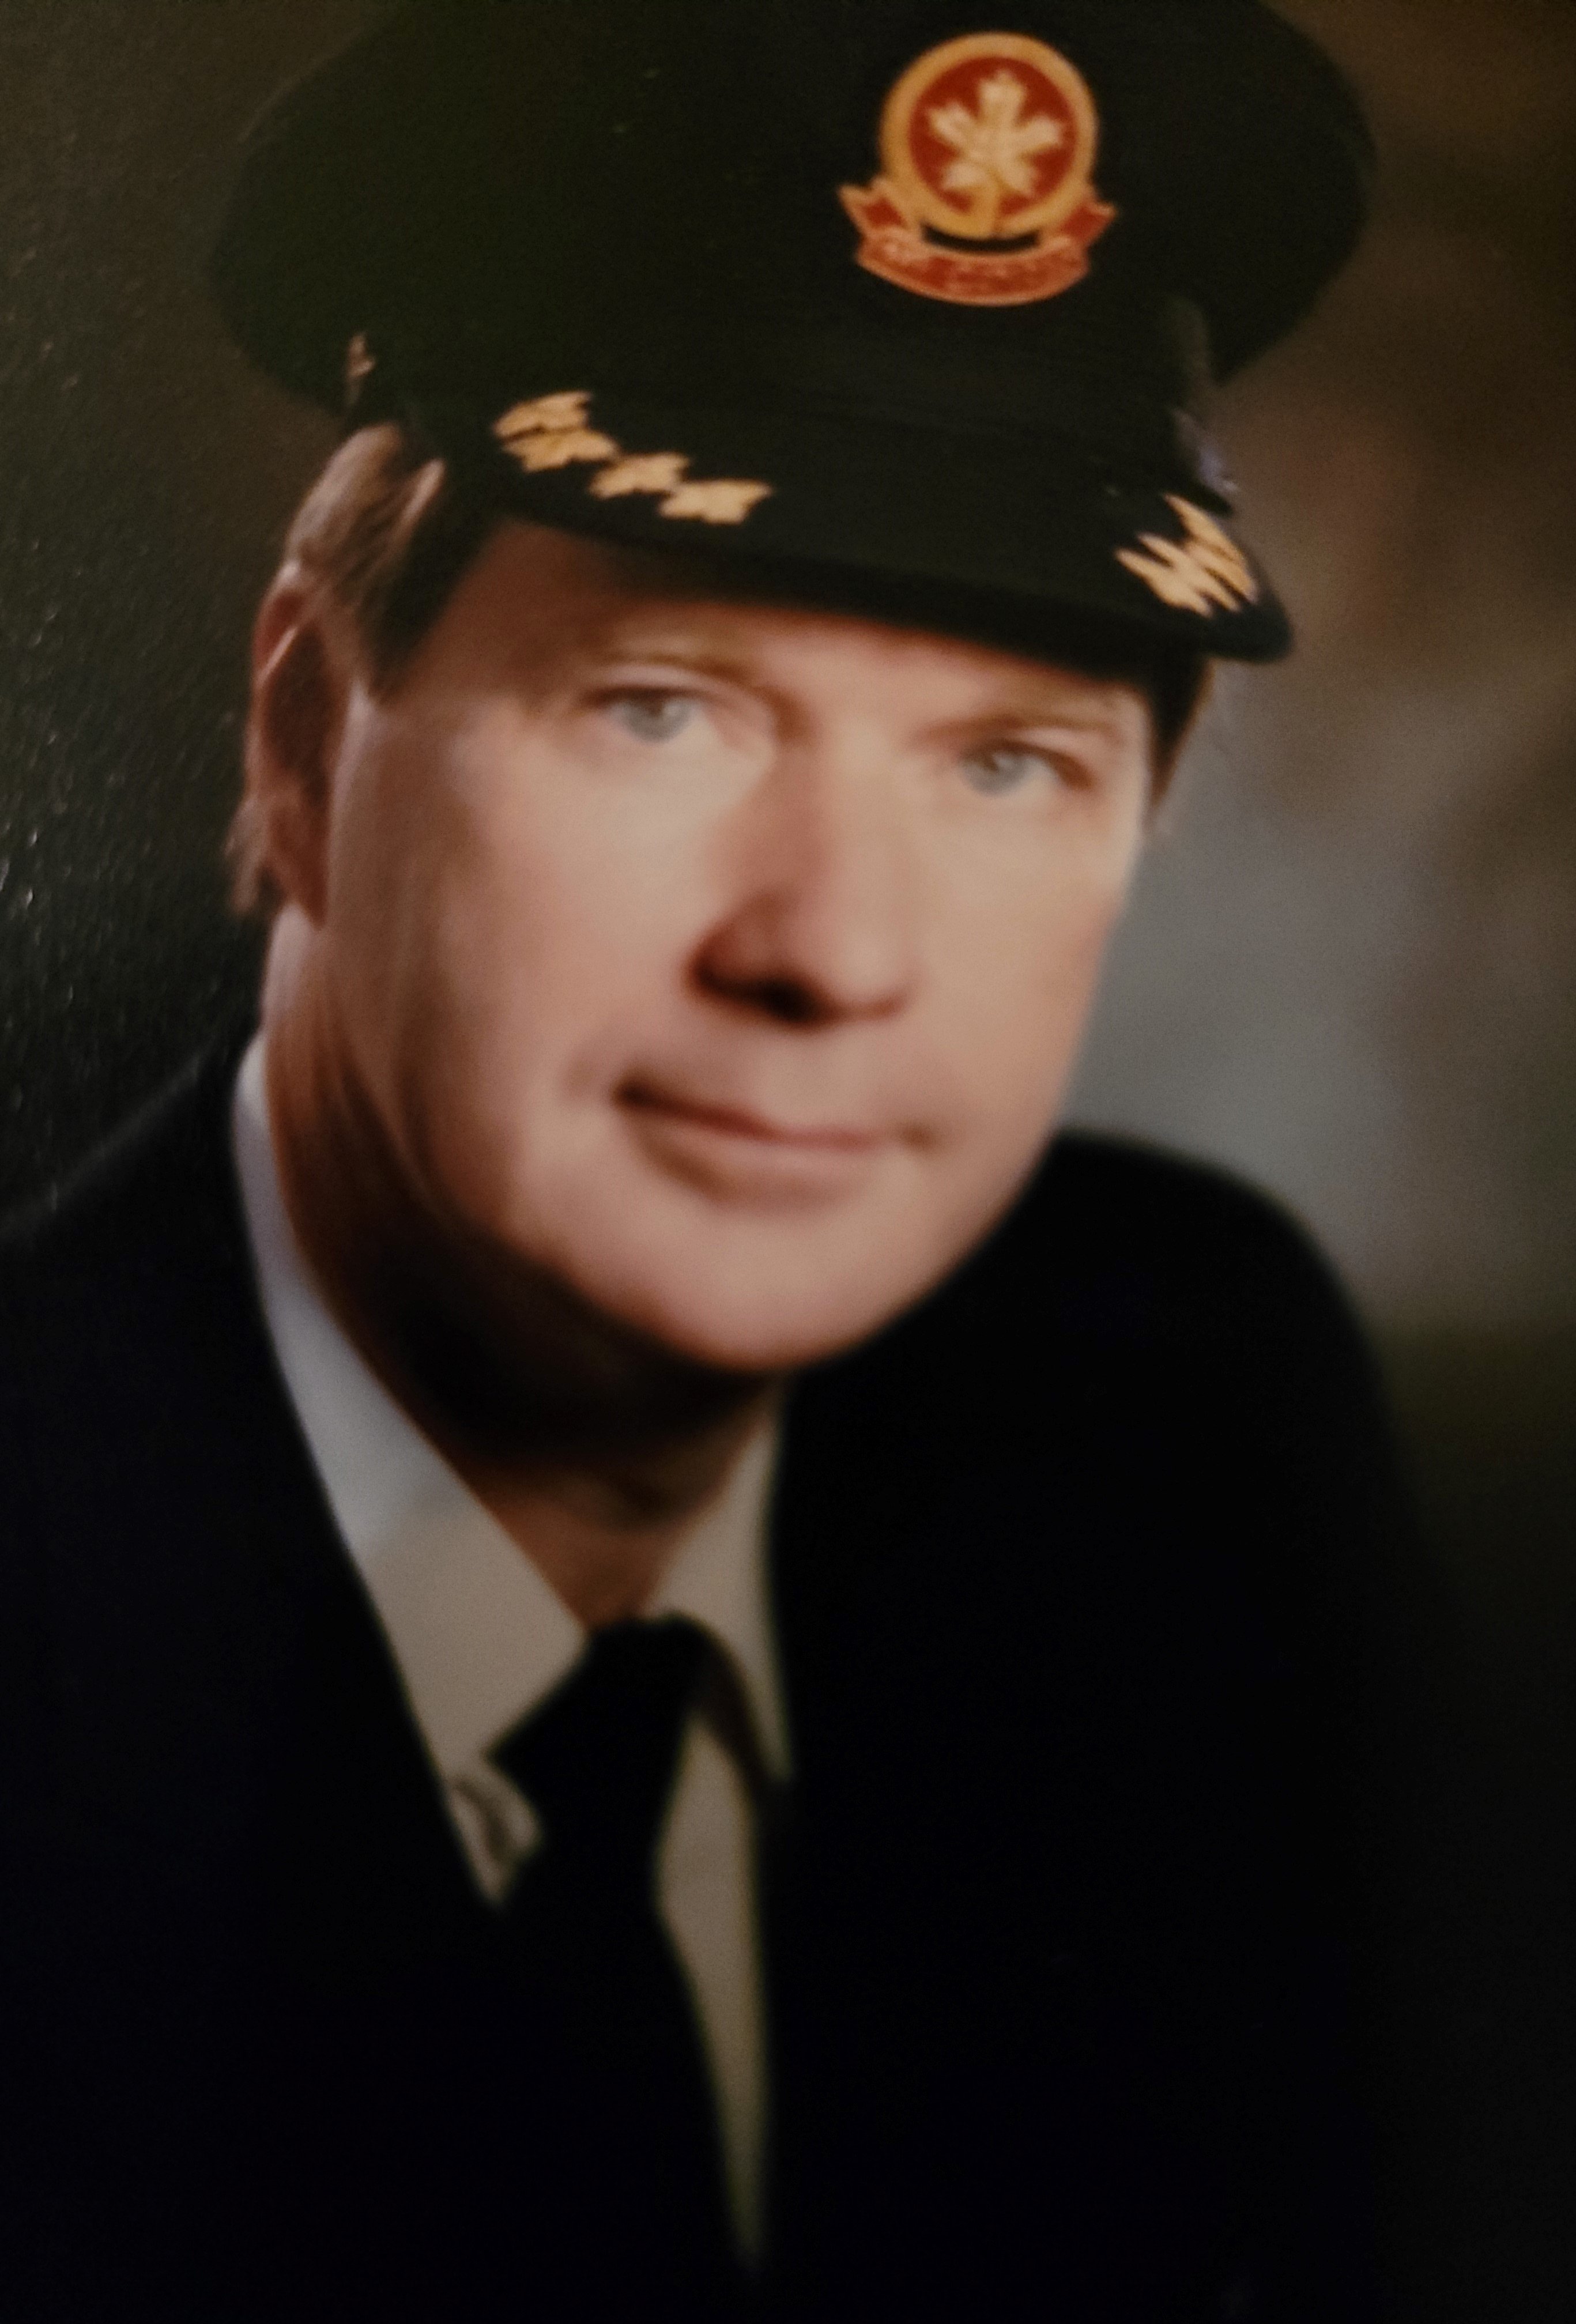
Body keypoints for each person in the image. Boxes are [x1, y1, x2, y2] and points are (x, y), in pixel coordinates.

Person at [0, 3, 1412, 2317]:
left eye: (1006, 766)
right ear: (297, 739)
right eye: (665, 706)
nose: (833, 949)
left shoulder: (1192, 1414)